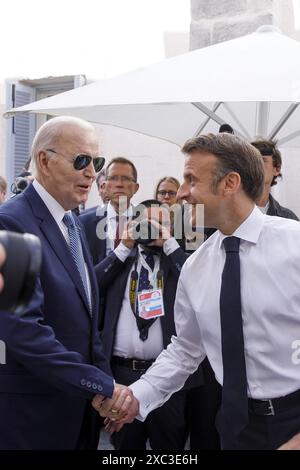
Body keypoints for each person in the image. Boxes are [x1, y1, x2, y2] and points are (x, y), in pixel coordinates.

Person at [94, 133, 300, 450]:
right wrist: (137, 396)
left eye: (192, 179)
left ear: (230, 183)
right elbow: (186, 350)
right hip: (232, 426)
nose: (181, 193)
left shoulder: (294, 243)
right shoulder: (195, 267)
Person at [0, 116, 133, 450]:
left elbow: (88, 323)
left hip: (80, 413)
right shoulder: (12, 222)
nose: (92, 173)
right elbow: (23, 330)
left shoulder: (71, 221)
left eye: (96, 162)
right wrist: (101, 387)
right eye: (81, 161)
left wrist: (104, 388)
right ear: (44, 161)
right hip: (36, 418)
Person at [95, 199, 203, 450]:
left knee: (170, 446)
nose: (153, 229)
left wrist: (170, 245)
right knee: (125, 447)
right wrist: (123, 247)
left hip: (170, 377)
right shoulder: (120, 261)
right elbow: (92, 287)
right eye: (146, 223)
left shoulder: (181, 263)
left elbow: (199, 284)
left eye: (161, 223)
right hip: (122, 374)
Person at [80, 157, 139, 265]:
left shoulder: (145, 221)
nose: (119, 184)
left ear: (136, 188)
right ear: (105, 186)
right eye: (113, 178)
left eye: (126, 178)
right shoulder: (84, 223)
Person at [251, 139, 298, 220]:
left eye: (262, 160)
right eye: (251, 160)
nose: (255, 165)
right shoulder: (229, 211)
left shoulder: (288, 219)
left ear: (277, 169)